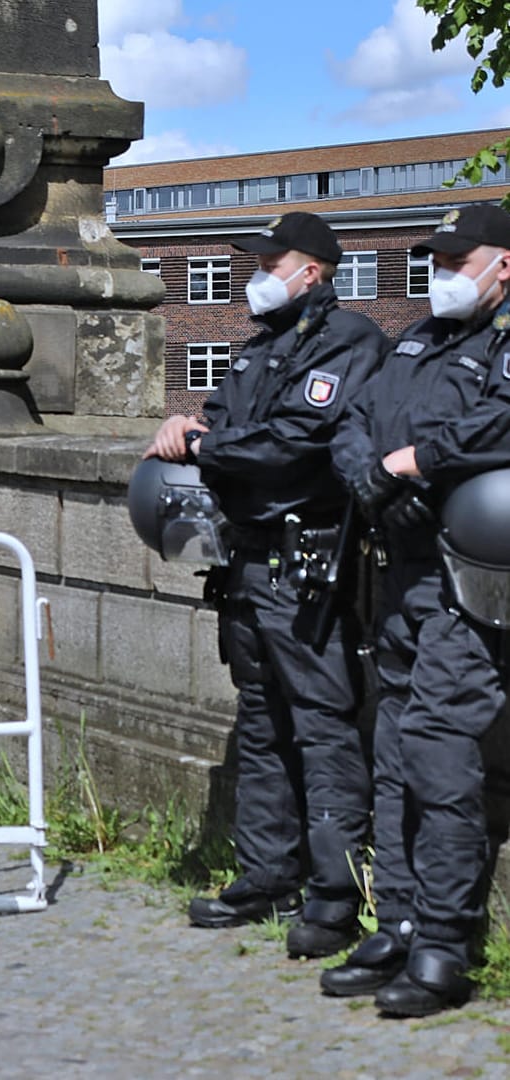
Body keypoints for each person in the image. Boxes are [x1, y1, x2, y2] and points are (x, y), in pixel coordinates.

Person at [144, 212, 388, 958]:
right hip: (245, 566)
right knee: (260, 724)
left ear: (309, 270)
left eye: (268, 261)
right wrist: (187, 428)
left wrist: (210, 443)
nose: (255, 274)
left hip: (306, 566)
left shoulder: (349, 342)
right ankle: (266, 873)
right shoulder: (257, 352)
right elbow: (217, 425)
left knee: (321, 726)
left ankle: (334, 893)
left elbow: (295, 445)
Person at [326, 202, 510, 1018]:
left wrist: (421, 461)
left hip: (468, 581)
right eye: (437, 260)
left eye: (458, 260)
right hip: (396, 572)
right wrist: (373, 474)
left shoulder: (501, 345)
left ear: (501, 265)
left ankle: (444, 943)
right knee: (394, 743)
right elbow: (354, 420)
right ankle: (397, 918)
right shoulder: (416, 339)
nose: (442, 275)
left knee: (438, 747)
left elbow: (499, 424)